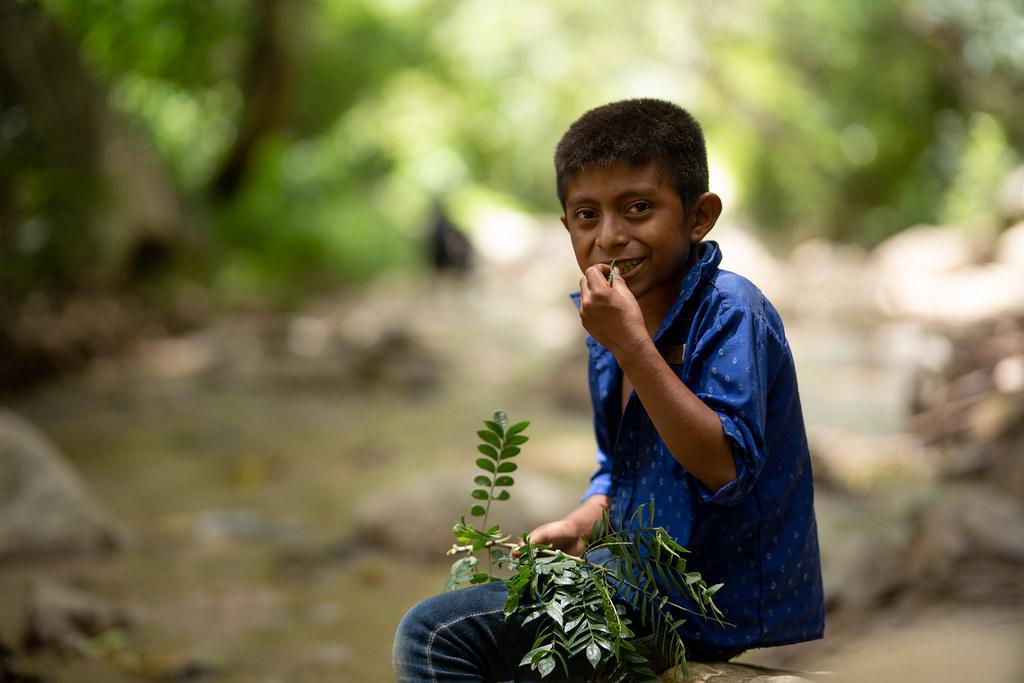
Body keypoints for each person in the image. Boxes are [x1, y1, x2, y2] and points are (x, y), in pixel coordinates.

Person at [393, 98, 824, 682]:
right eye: (587, 216)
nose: (611, 237)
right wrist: (585, 520)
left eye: (639, 208)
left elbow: (726, 469)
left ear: (699, 217)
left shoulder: (729, 310)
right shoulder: (614, 318)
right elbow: (619, 469)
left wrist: (631, 347)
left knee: (433, 635)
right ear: (566, 225)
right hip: (630, 576)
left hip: (703, 602)